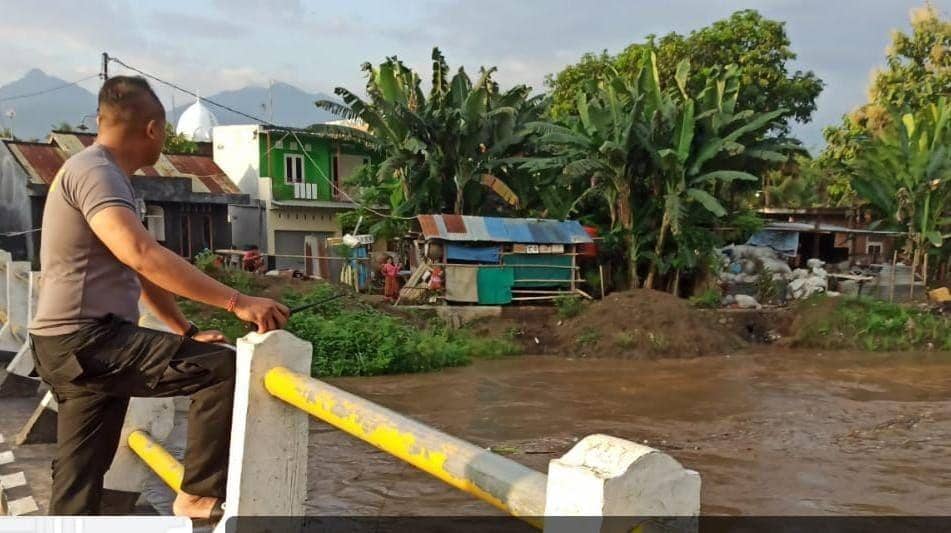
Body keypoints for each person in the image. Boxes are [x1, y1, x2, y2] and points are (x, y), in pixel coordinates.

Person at [28, 76, 290, 520]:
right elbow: (142, 254)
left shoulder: (98, 173)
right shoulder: (98, 172)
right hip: (89, 341)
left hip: (68, 344)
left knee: (80, 476)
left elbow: (136, 267)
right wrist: (237, 302)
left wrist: (183, 329)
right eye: (165, 133)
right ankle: (198, 494)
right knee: (221, 367)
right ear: (153, 130)